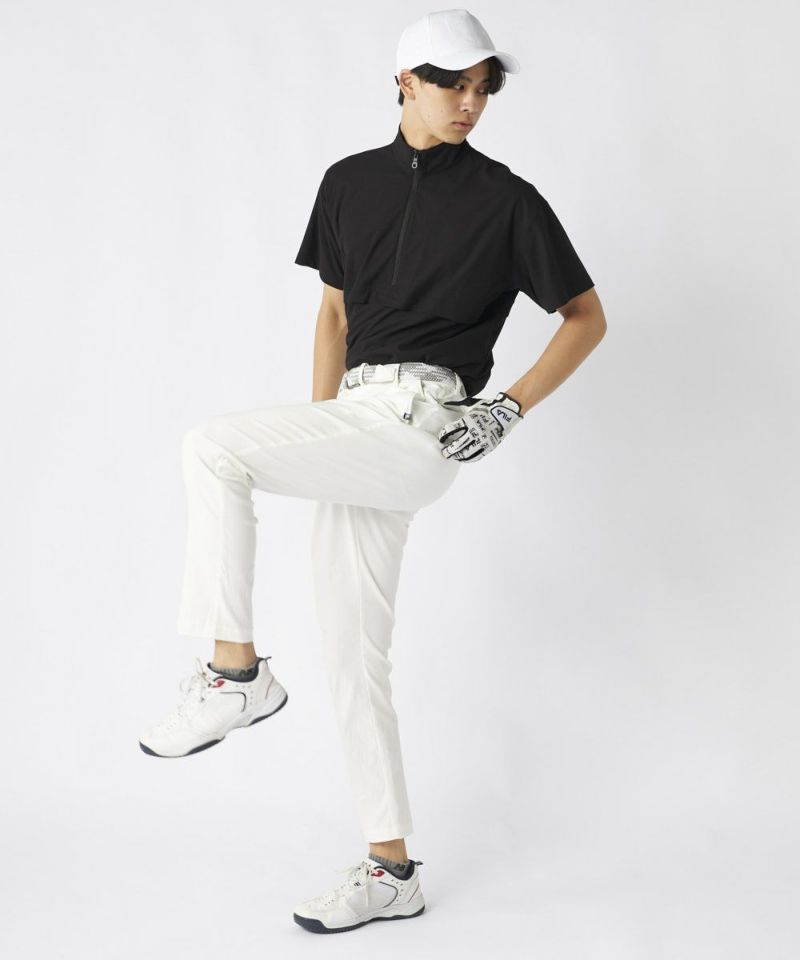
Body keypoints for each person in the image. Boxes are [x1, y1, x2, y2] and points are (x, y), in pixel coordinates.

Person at [138, 7, 606, 935]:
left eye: (483, 88)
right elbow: (334, 317)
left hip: (425, 423)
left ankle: (235, 676)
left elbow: (585, 316)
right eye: (451, 83)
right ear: (404, 82)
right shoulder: (347, 183)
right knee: (355, 657)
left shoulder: (509, 200)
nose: (470, 102)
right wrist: (320, 431)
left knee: (210, 446)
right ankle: (392, 870)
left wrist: (508, 407)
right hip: (354, 419)